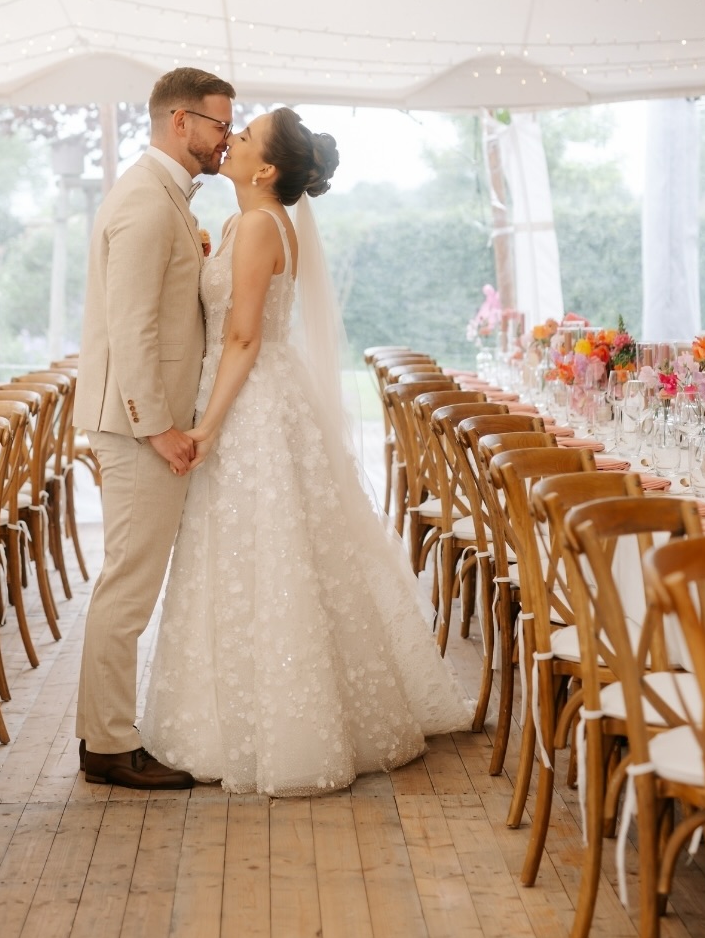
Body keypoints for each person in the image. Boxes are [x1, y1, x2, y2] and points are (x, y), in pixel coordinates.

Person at [140, 107, 471, 795]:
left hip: (252, 403)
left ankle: (286, 730)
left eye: (246, 135)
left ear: (264, 169)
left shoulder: (260, 224)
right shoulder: (240, 224)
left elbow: (244, 338)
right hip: (250, 393)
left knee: (269, 550)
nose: (229, 139)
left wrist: (208, 426)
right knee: (242, 554)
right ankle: (234, 716)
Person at [74, 66, 235, 790]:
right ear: (181, 122)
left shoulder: (164, 195)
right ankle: (106, 743)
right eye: (219, 124)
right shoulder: (144, 201)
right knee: (128, 585)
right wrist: (158, 427)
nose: (225, 138)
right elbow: (132, 328)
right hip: (137, 427)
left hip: (145, 422)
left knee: (130, 581)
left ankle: (106, 734)